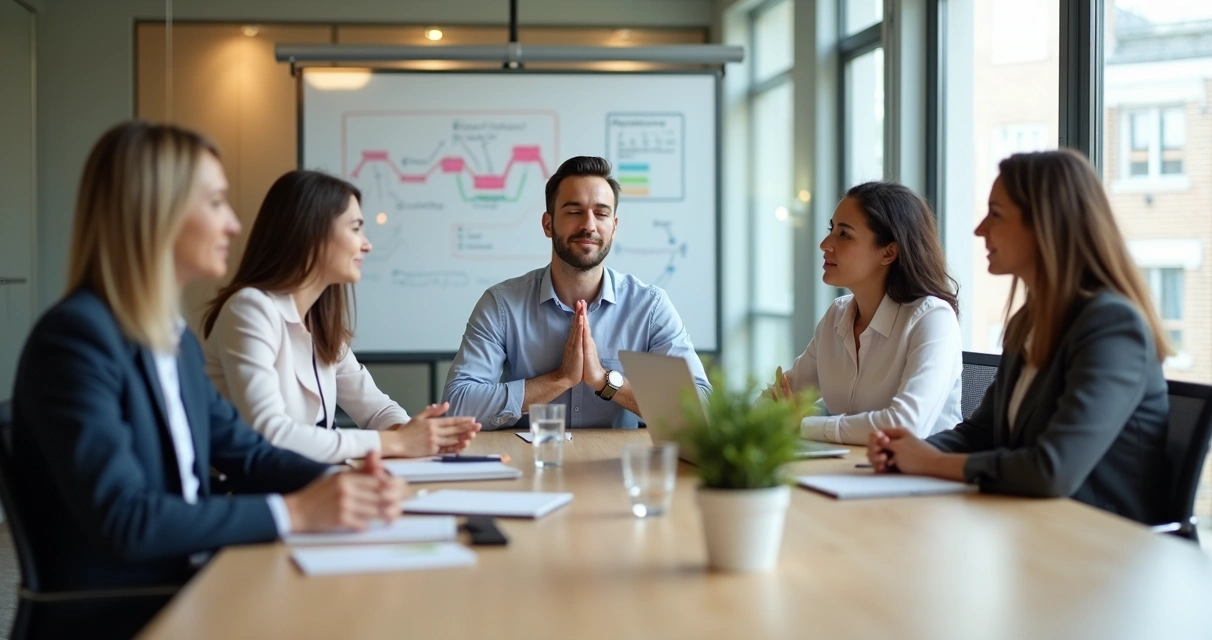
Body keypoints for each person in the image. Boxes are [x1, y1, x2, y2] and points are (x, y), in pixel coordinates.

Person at [9, 121, 407, 637]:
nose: (234, 225)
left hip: (193, 585)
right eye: (216, 203)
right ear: (157, 213)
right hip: (128, 614)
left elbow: (248, 452)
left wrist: (344, 486)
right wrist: (295, 513)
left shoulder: (168, 340)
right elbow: (127, 520)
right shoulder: (75, 340)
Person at [866, 149, 1171, 525]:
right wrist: (908, 451)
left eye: (996, 214)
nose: (980, 230)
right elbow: (981, 433)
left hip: (1106, 550)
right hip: (1035, 530)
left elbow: (1052, 469)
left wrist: (932, 462)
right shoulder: (1029, 321)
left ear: (1046, 225)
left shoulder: (1111, 327)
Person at [202, 170, 479, 464]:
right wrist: (397, 441)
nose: (366, 244)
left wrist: (418, 436)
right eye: (356, 228)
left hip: (314, 486)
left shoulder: (319, 320)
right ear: (312, 232)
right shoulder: (250, 309)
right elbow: (271, 434)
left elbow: (375, 410)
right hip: (258, 497)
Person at [443, 156, 711, 429]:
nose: (589, 225)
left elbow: (701, 409)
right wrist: (560, 379)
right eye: (574, 211)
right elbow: (457, 406)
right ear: (548, 225)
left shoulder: (650, 307)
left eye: (602, 213)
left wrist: (603, 379)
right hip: (530, 465)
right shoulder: (502, 305)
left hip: (621, 469)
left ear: (614, 228)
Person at [769, 182, 963, 445]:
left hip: (920, 481)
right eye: (831, 230)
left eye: (844, 235)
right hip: (850, 472)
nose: (825, 244)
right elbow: (783, 395)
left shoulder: (932, 319)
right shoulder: (837, 316)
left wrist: (802, 425)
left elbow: (904, 425)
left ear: (889, 252)